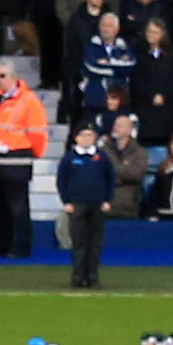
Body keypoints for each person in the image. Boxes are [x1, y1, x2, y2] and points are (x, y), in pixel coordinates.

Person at [0, 67, 52, 265]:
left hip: (15, 160)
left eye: (2, 76)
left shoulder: (28, 101)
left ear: (14, 77)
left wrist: (29, 152)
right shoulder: (0, 99)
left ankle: (22, 245)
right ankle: (2, 244)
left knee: (17, 207)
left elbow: (37, 132)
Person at [57, 107, 117, 290]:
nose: (87, 139)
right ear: (76, 138)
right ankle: (77, 277)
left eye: (90, 135)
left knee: (95, 243)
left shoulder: (102, 157)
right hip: (77, 205)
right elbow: (62, 180)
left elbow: (110, 178)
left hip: (97, 205)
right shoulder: (70, 158)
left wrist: (107, 200)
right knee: (79, 243)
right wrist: (66, 202)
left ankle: (93, 277)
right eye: (83, 135)